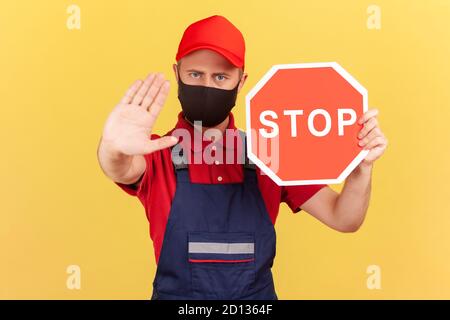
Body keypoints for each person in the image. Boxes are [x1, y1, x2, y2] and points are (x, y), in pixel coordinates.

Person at [97, 15, 388, 300]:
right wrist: (112, 147)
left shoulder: (273, 153)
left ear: (241, 81)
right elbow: (121, 167)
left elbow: (344, 217)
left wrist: (360, 169)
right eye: (195, 74)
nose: (207, 85)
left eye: (221, 77)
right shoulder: (156, 151)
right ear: (177, 73)